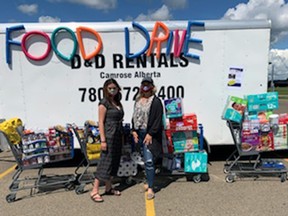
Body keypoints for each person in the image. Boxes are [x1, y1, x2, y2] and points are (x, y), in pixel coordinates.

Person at [90, 78, 124, 203]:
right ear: (105, 89)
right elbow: (100, 122)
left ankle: (109, 188)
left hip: (117, 136)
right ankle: (94, 190)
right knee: (105, 163)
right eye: (110, 88)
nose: (112, 90)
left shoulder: (117, 102)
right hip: (109, 136)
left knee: (113, 162)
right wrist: (103, 140)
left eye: (114, 88)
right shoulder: (104, 103)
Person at [132, 77, 163, 200]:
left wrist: (150, 133)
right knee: (144, 160)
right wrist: (133, 130)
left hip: (149, 134)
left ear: (152, 87)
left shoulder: (155, 101)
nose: (145, 87)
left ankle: (151, 188)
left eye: (148, 84)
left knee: (149, 161)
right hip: (139, 133)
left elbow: (157, 120)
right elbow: (134, 116)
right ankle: (148, 181)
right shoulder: (138, 100)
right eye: (143, 84)